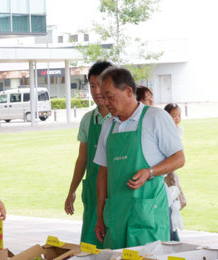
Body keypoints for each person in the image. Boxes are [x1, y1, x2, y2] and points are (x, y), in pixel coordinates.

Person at [94, 67, 185, 249]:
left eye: (109, 96)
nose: (105, 102)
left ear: (128, 91)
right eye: (103, 97)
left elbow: (179, 158)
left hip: (148, 214)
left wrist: (150, 172)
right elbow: (103, 173)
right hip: (116, 214)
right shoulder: (108, 125)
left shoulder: (155, 117)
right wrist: (99, 216)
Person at [65, 61, 113, 247]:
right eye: (93, 85)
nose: (97, 91)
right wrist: (72, 191)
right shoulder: (87, 120)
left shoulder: (122, 118)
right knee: (91, 247)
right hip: (93, 190)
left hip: (117, 191)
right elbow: (82, 159)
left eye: (101, 85)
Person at [164, 103, 186, 241]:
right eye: (174, 116)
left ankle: (173, 237)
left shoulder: (179, 130)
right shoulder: (165, 131)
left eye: (179, 116)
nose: (177, 119)